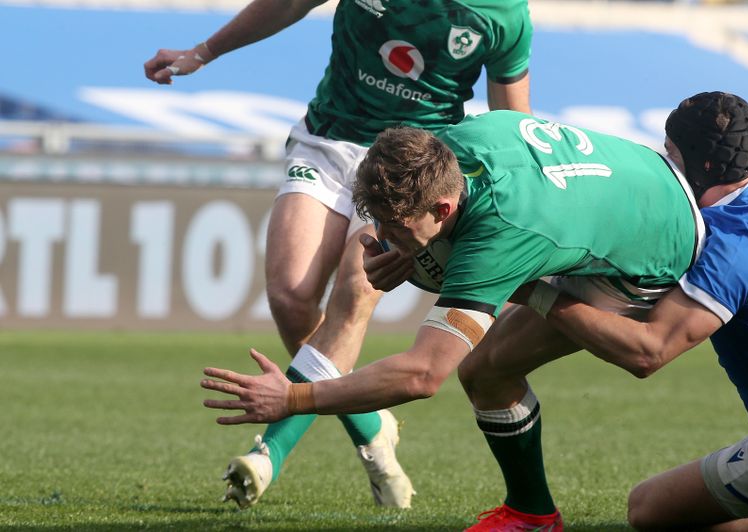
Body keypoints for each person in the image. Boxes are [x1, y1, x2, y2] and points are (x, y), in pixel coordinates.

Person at [200, 109, 705, 529]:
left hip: (648, 260)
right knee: (487, 364)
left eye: (396, 227)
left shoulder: (500, 231)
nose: (384, 237)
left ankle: (532, 518)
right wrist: (409, 246)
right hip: (647, 182)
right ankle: (532, 512)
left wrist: (293, 397)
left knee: (483, 370)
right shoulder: (443, 151)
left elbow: (422, 374)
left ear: (442, 210)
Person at [144, 0, 533, 510]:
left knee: (354, 292)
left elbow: (513, 125)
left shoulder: (502, 13)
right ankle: (372, 423)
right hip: (330, 140)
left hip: (411, 165)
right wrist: (204, 51)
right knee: (290, 298)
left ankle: (269, 454)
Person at [462, 92, 748, 531]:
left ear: (704, 166)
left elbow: (647, 353)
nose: (664, 163)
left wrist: (538, 293)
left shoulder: (730, 246)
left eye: (670, 154)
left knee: (649, 512)